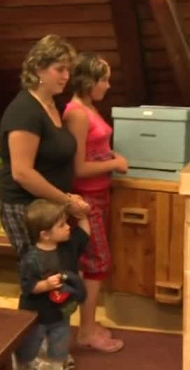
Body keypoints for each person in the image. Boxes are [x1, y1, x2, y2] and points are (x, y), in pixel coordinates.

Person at [0, 34, 89, 258]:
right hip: (26, 207)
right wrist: (66, 201)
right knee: (42, 271)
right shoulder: (25, 111)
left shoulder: (53, 105)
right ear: (39, 69)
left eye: (68, 70)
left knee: (59, 269)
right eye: (59, 70)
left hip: (49, 204)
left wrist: (65, 198)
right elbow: (22, 173)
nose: (66, 76)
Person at [63, 53, 128, 353]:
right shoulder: (77, 113)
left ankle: (89, 323)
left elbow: (94, 150)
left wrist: (111, 157)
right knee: (97, 262)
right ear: (89, 81)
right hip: (87, 199)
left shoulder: (90, 108)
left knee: (96, 262)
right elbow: (78, 168)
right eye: (104, 79)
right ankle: (86, 331)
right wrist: (115, 164)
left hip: (100, 194)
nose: (108, 85)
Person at [16, 199, 90, 370]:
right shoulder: (31, 259)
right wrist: (46, 285)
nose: (68, 227)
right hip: (37, 315)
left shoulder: (68, 246)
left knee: (60, 342)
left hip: (61, 311)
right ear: (45, 235)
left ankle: (58, 363)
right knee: (30, 346)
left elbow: (84, 233)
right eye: (62, 225)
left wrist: (82, 215)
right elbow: (28, 288)